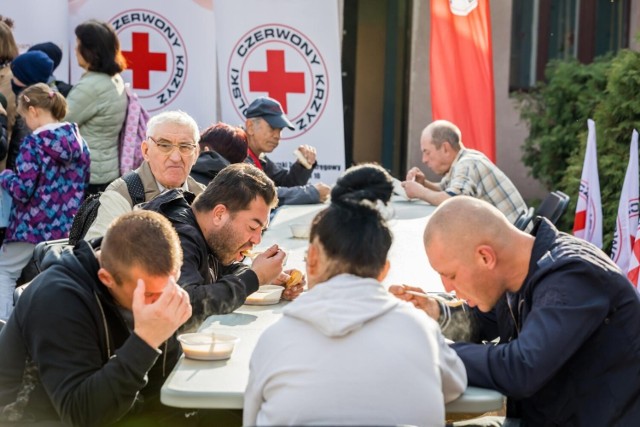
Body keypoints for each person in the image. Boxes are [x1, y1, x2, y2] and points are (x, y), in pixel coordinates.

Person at [243, 164, 467, 426]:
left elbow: (251, 419)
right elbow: (455, 384)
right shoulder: (421, 332)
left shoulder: (274, 342)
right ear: (384, 271)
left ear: (312, 259)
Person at [391, 196, 640, 426]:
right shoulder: (521, 271)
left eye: (451, 275)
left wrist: (432, 353)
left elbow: (522, 368)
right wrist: (434, 310)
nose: (448, 288)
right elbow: (481, 323)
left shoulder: (573, 277)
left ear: (485, 257)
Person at [0, 210, 192, 426]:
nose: (160, 302)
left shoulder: (132, 277)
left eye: (170, 286)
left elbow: (159, 392)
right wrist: (146, 341)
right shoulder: (58, 300)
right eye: (149, 294)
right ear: (106, 278)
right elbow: (81, 415)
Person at [142, 163, 304, 328]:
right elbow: (187, 303)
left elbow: (220, 269)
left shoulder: (206, 230)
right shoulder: (175, 236)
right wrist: (254, 278)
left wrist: (264, 276)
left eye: (261, 230)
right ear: (219, 214)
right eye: (253, 227)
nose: (257, 240)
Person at [0, 83, 90, 321]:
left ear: (34, 111)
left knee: (5, 271)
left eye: (22, 117)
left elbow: (22, 190)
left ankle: (4, 326)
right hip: (65, 226)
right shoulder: (80, 143)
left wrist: (6, 176)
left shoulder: (34, 144)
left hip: (31, 224)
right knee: (56, 279)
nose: (24, 123)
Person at [84, 110, 205, 240]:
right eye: (164, 145)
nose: (175, 157)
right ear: (146, 151)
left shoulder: (202, 197)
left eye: (185, 146)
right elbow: (99, 251)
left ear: (196, 154)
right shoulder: (122, 195)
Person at [402, 120, 527, 224]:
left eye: (427, 152)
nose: (424, 160)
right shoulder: (465, 158)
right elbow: (447, 190)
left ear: (445, 148)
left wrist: (420, 192)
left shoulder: (467, 164)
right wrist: (424, 184)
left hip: (515, 245)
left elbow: (454, 201)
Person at [65, 19, 128, 195]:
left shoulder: (91, 86)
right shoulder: (113, 78)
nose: (75, 50)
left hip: (88, 173)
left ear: (91, 51)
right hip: (106, 169)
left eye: (79, 45)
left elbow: (60, 121)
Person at [244, 96, 331, 205]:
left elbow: (285, 183)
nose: (277, 135)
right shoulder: (235, 152)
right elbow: (258, 195)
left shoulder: (258, 155)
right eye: (272, 127)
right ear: (250, 126)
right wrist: (311, 193)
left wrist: (302, 166)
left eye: (280, 129)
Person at [8, 50, 54, 171]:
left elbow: (19, 151)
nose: (12, 79)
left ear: (27, 78)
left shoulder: (30, 111)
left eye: (16, 75)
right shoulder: (47, 98)